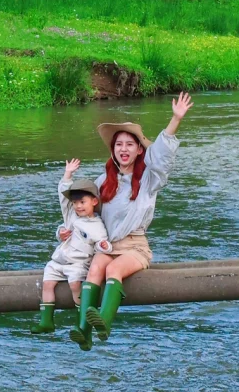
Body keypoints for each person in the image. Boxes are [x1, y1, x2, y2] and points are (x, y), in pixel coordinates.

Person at [69, 91, 194, 350]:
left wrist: (175, 119)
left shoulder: (150, 178)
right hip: (108, 245)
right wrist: (67, 230)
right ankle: (84, 331)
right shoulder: (103, 182)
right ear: (113, 150)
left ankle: (104, 323)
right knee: (95, 269)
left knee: (113, 271)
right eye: (119, 145)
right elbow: (85, 213)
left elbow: (162, 155)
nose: (123, 149)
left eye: (129, 144)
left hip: (135, 246)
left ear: (139, 150)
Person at [32, 160, 112, 334]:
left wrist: (105, 246)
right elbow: (63, 195)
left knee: (75, 285)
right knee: (47, 283)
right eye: (75, 203)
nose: (78, 206)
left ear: (94, 201)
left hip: (78, 263)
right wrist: (68, 173)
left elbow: (102, 244)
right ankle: (46, 321)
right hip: (59, 260)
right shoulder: (70, 215)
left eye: (82, 202)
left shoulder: (97, 225)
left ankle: (81, 321)